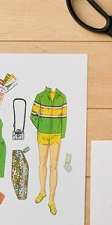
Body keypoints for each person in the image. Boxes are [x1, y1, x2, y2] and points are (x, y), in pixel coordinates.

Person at [30, 86, 67, 216]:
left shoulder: (62, 97)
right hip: (42, 134)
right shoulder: (40, 96)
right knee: (42, 163)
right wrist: (41, 126)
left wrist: (62, 134)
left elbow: (64, 118)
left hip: (56, 135)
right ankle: (42, 191)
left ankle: (51, 200)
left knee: (54, 166)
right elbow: (33, 115)